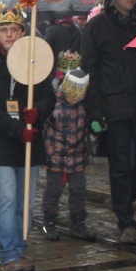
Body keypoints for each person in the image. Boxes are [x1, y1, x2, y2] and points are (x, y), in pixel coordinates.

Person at [0, 3, 55, 271]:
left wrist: (39, 112)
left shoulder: (36, 60)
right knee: (7, 198)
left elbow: (48, 97)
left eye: (13, 29)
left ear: (23, 31)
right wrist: (15, 128)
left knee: (26, 201)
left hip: (31, 141)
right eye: (3, 30)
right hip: (1, 142)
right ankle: (9, 255)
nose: (9, 35)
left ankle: (20, 250)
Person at [81, 0, 136, 245]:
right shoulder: (98, 26)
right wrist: (94, 113)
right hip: (113, 107)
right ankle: (127, 222)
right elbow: (90, 69)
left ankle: (122, 198)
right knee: (121, 164)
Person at [40, 68, 96, 242]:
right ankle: (49, 222)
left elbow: (88, 123)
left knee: (79, 189)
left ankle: (78, 223)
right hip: (55, 154)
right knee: (53, 190)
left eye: (77, 97)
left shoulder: (84, 104)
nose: (73, 99)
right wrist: (45, 149)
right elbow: (43, 125)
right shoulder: (53, 102)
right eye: (71, 95)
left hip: (77, 154)